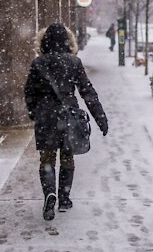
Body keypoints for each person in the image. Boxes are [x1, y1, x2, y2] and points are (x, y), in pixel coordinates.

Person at [25, 23, 108, 221]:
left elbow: (29, 91)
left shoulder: (38, 64)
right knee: (67, 157)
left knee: (47, 159)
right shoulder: (74, 62)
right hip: (68, 116)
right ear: (67, 41)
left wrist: (33, 112)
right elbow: (87, 92)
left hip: (46, 117)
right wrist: (100, 118)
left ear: (44, 41)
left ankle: (49, 194)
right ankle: (64, 198)